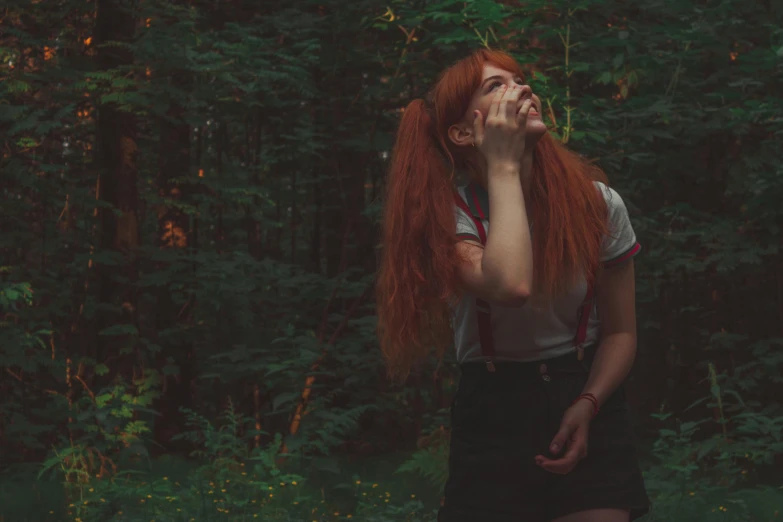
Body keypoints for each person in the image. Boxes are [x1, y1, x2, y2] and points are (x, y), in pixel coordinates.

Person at [375, 49, 651, 522]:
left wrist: (588, 404)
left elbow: (622, 333)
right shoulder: (450, 218)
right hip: (493, 406)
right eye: (495, 86)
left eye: (519, 79)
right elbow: (510, 285)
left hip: (585, 388)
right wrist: (502, 166)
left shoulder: (598, 204)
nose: (521, 89)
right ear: (464, 133)